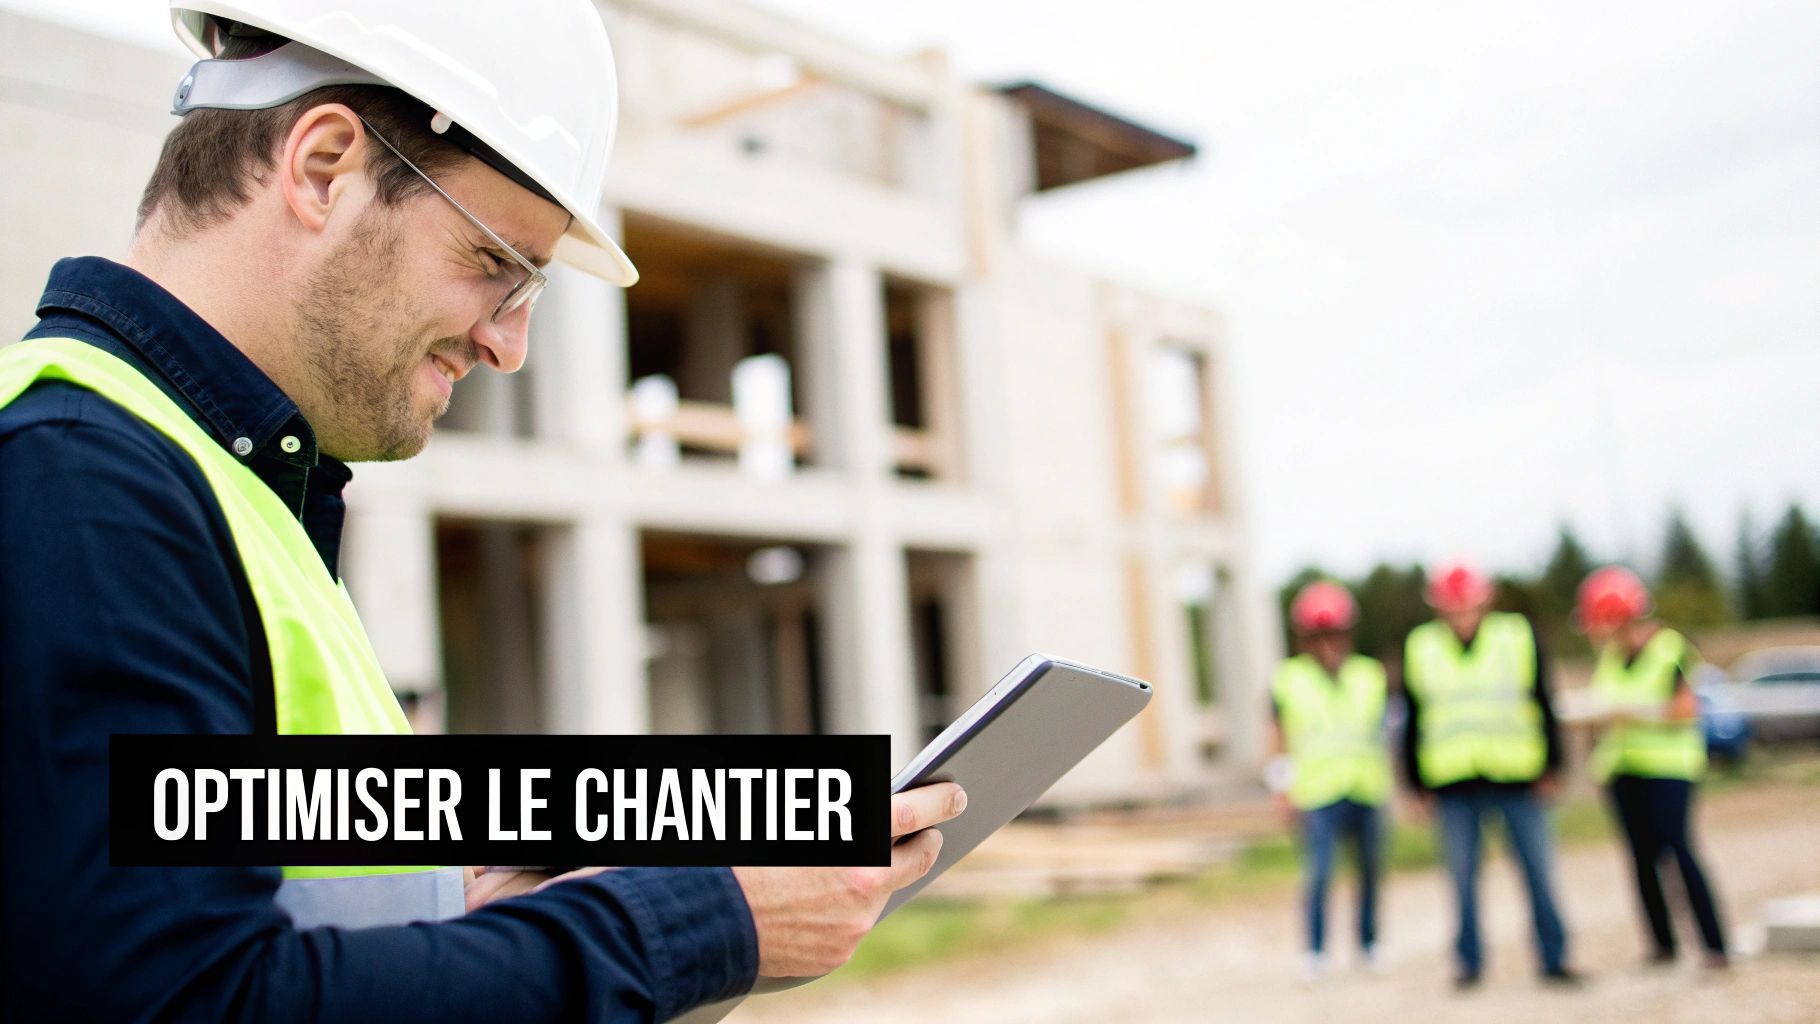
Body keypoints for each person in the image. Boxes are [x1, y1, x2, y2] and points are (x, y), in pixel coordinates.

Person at [0, 2, 963, 1020]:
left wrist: (464, 903)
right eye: (494, 264)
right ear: (324, 167)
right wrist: (694, 919)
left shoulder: (219, 483)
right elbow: (182, 1001)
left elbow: (226, 909)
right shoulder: (85, 484)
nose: (509, 345)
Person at [1399, 562, 1581, 989]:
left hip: (1517, 776)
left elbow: (1543, 699)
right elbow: (1413, 719)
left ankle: (1554, 958)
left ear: (1484, 601)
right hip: (1453, 782)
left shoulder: (1515, 636)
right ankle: (1469, 962)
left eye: (1467, 605)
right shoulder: (1421, 647)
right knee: (1461, 879)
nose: (1460, 614)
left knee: (1538, 871)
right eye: (1452, 607)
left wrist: (1553, 765)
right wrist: (1414, 784)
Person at [1576, 566, 1729, 969]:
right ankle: (1663, 944)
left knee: (1679, 850)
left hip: (1669, 769)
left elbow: (1685, 710)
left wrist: (1633, 713)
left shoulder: (1670, 648)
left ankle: (1714, 945)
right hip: (1623, 770)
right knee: (1641, 859)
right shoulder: (1610, 657)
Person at [1265, 581, 1392, 980]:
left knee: (1370, 871)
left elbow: (1383, 733)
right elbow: (1277, 738)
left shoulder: (1370, 675)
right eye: (1318, 635)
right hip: (1316, 793)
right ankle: (1316, 950)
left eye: (1333, 633)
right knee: (1319, 873)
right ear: (1305, 638)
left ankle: (1369, 943)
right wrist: (1281, 789)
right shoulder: (1288, 679)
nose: (1327, 644)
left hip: (1366, 786)